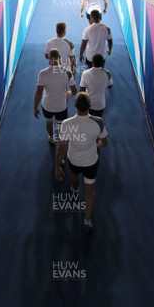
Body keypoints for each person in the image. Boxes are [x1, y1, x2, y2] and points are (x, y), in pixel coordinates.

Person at [55, 92, 109, 232]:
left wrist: (56, 167)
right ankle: (87, 219)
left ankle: (74, 189)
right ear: (90, 106)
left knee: (74, 176)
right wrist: (98, 145)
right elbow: (105, 142)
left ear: (75, 106)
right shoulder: (98, 122)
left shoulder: (66, 124)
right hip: (91, 161)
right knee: (90, 191)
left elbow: (61, 147)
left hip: (73, 159)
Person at [34, 48, 78, 144]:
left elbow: (38, 93)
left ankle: (51, 137)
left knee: (49, 121)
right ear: (60, 57)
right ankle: (60, 140)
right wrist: (69, 94)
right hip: (61, 106)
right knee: (61, 124)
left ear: (48, 58)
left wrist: (35, 107)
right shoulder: (68, 73)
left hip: (47, 105)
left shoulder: (42, 73)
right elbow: (74, 91)